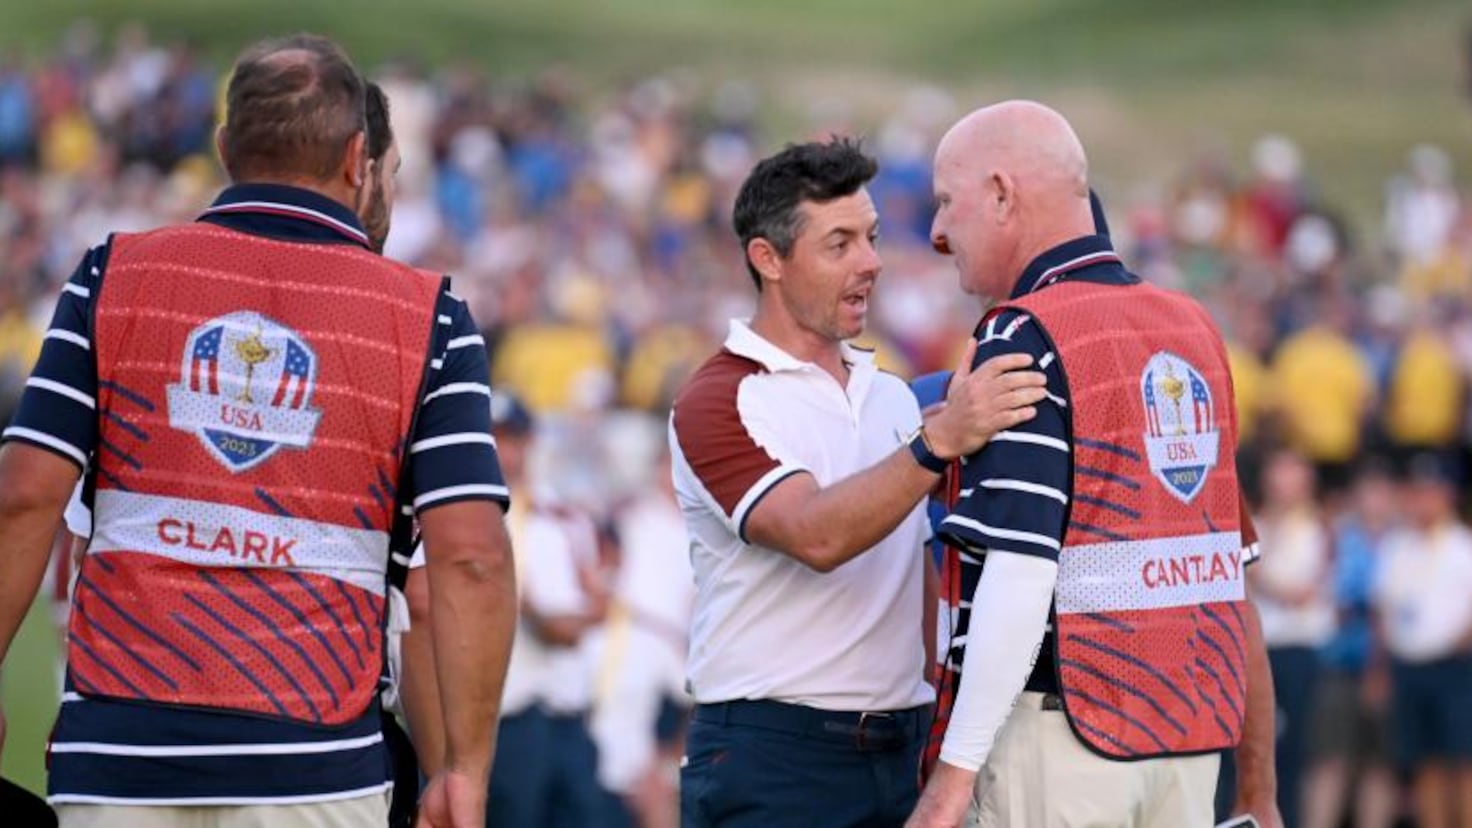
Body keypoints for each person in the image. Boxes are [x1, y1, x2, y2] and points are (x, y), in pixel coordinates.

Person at [0, 35, 517, 828]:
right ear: (357, 157)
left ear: (223, 149)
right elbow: (469, 557)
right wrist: (463, 771)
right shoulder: (430, 317)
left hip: (121, 749)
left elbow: (23, 499)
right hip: (314, 763)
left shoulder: (113, 272)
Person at [908, 100, 1281, 828]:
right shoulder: (1193, 326)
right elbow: (1225, 579)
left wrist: (951, 783)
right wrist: (1257, 789)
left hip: (1065, 739)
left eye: (947, 201)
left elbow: (1018, 576)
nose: (938, 232)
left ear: (1002, 195)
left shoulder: (1025, 331)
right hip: (1186, 745)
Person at [670, 137, 1048, 828]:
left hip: (900, 746)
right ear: (768, 259)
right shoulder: (718, 399)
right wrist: (939, 441)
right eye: (839, 244)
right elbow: (815, 535)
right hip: (774, 756)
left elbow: (914, 576)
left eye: (871, 237)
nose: (871, 263)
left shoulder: (892, 398)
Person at [1371, 452, 1472, 828]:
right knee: (1423, 764)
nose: (1424, 500)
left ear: (1448, 495)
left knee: (1463, 763)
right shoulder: (1397, 546)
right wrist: (1379, 668)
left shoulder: (1464, 545)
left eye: (1431, 491)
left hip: (1456, 667)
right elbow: (1383, 611)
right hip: (1409, 665)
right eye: (1418, 492)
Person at [1249, 448, 1336, 828]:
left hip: (1300, 651)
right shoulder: (1252, 524)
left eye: (1294, 471)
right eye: (1279, 470)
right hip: (1256, 650)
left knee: (1294, 752)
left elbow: (1304, 591)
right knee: (1251, 750)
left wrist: (1256, 572)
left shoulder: (1319, 527)